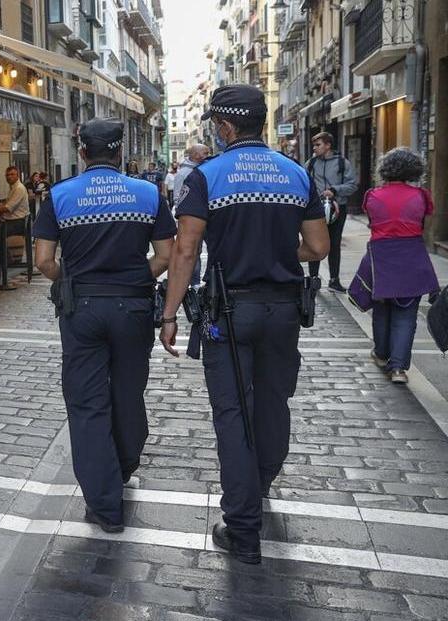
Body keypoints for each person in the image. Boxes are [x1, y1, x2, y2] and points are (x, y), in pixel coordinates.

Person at [160, 84, 330, 564]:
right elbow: (317, 248)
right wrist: (278, 254)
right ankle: (262, 480)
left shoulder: (206, 176)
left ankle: (243, 527)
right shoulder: (296, 173)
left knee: (232, 414)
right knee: (274, 401)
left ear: (225, 126)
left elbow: (187, 251)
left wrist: (170, 314)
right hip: (282, 310)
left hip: (229, 311)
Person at [32, 118, 176, 533]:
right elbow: (166, 255)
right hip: (132, 306)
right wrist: (136, 277)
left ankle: (104, 503)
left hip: (82, 309)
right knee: (129, 390)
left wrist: (74, 279)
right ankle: (126, 461)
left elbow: (44, 262)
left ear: (82, 152)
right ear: (120, 152)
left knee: (86, 402)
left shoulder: (59, 196)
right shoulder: (148, 193)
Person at [350, 148, 440, 384]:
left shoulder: (372, 195)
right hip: (412, 255)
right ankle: (398, 368)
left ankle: (381, 354)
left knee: (381, 309)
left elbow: (371, 221)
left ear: (385, 169)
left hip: (381, 256)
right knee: (406, 314)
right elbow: (425, 219)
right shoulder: (421, 196)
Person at [306, 131, 358, 291]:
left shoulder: (343, 163)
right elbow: (303, 181)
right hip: (316, 210)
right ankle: (313, 279)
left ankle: (334, 280)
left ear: (328, 145)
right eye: (314, 145)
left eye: (318, 145)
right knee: (314, 243)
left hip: (337, 209)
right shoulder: (311, 163)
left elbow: (353, 185)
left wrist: (335, 190)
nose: (315, 148)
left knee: (334, 244)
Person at [174, 144, 211, 286]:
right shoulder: (183, 173)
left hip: (206, 215)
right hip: (192, 216)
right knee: (193, 250)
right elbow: (178, 196)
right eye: (205, 153)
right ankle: (193, 282)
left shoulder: (204, 169)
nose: (207, 155)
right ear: (194, 155)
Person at [0, 166, 30, 264]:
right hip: (12, 221)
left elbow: (8, 208)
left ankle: (4, 260)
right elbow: (6, 204)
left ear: (17, 176)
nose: (9, 177)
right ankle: (3, 259)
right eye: (7, 175)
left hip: (18, 223)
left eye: (12, 174)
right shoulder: (13, 188)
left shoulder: (19, 188)